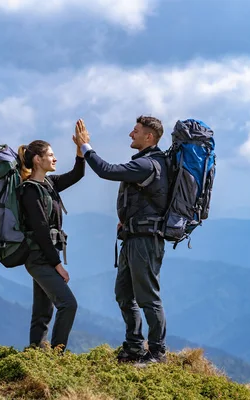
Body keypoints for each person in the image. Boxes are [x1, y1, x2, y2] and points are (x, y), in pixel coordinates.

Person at [73, 116, 169, 364]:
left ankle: (157, 353)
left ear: (149, 137)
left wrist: (85, 147)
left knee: (148, 296)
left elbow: (107, 171)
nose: (130, 134)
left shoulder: (148, 165)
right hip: (133, 237)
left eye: (135, 131)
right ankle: (134, 347)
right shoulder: (147, 163)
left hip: (145, 241)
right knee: (124, 294)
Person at [17, 138, 85, 351]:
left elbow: (77, 174)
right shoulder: (29, 191)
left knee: (42, 311)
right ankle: (57, 354)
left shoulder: (49, 184)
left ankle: (35, 354)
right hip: (38, 258)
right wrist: (58, 266)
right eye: (50, 155)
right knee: (68, 304)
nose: (55, 158)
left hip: (45, 256)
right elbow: (41, 232)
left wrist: (80, 148)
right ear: (38, 159)